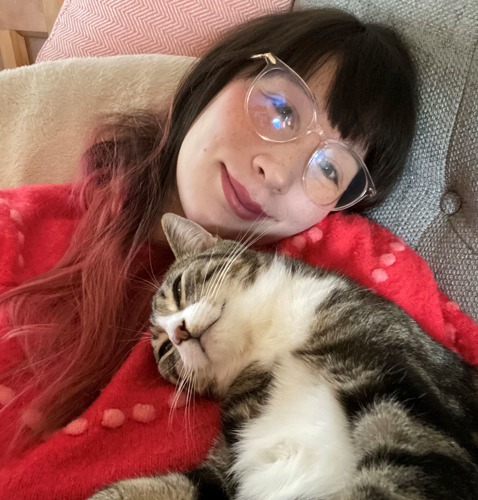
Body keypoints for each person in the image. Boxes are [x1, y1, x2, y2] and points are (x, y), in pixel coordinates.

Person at [0, 3, 426, 477]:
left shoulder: (356, 265)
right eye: (281, 110)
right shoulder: (18, 227)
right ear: (220, 74)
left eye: (329, 168)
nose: (279, 173)